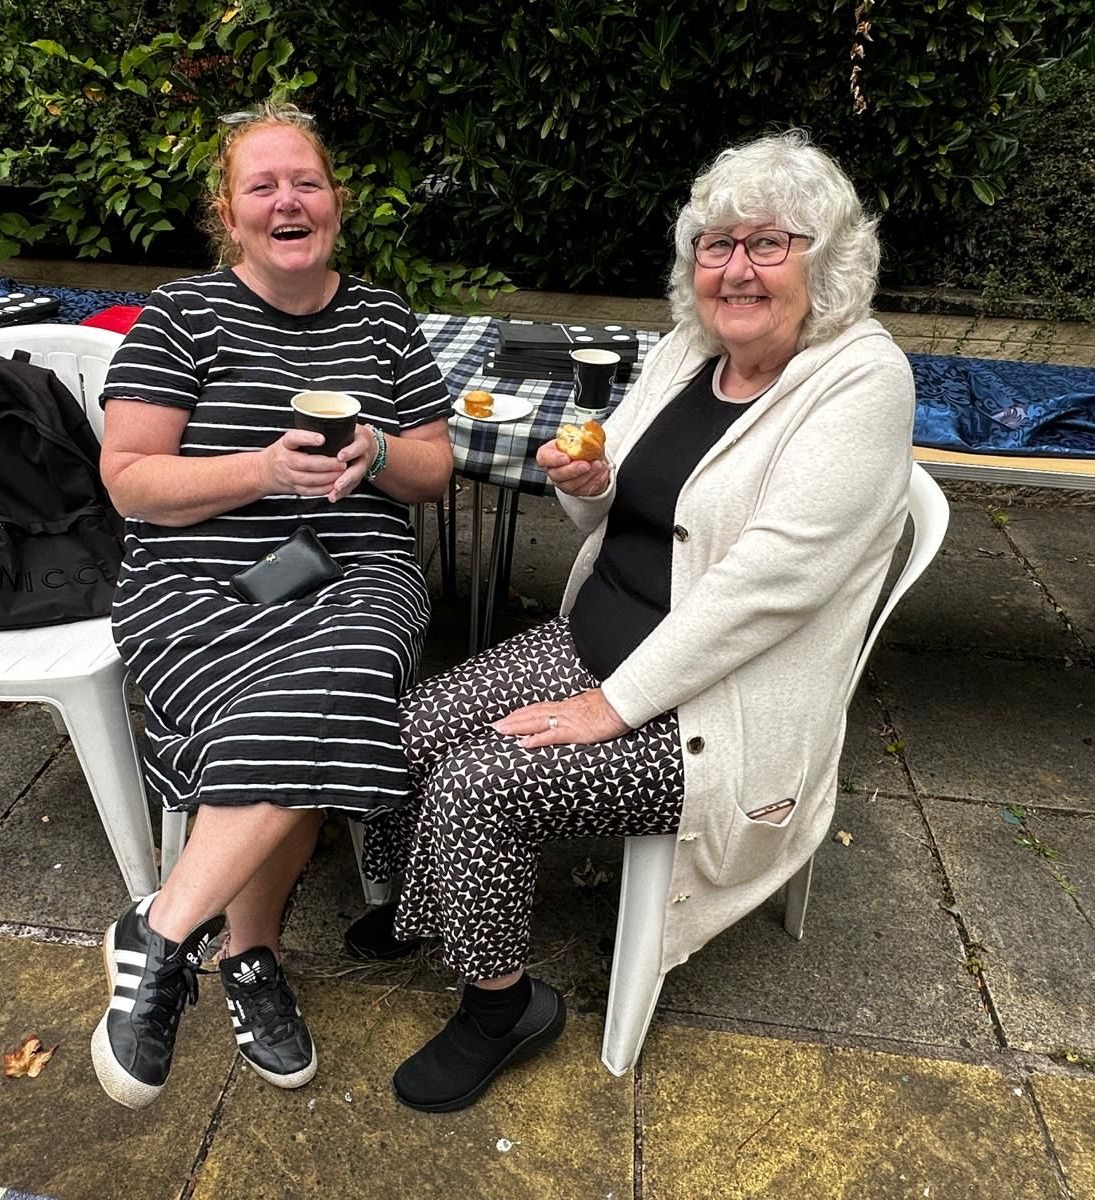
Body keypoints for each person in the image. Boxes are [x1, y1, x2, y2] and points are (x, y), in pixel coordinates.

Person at [354, 130, 916, 1113]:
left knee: (480, 785)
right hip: (592, 640)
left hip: (714, 710)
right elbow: (610, 497)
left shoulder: (861, 382)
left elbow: (765, 584)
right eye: (714, 243)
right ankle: (427, 903)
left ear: (823, 261)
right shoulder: (685, 352)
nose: (733, 268)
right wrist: (587, 484)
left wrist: (610, 704)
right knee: (399, 737)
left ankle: (503, 1007)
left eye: (766, 244)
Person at [88, 103, 454, 1109]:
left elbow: (431, 473)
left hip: (353, 575)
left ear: (334, 202)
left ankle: (164, 931)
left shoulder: (381, 320)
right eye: (264, 185)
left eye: (306, 181)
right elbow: (128, 480)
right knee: (296, 718)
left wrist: (375, 450)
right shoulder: (181, 316)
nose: (288, 199)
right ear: (230, 213)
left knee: (335, 674)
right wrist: (259, 469)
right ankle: (247, 960)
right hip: (198, 580)